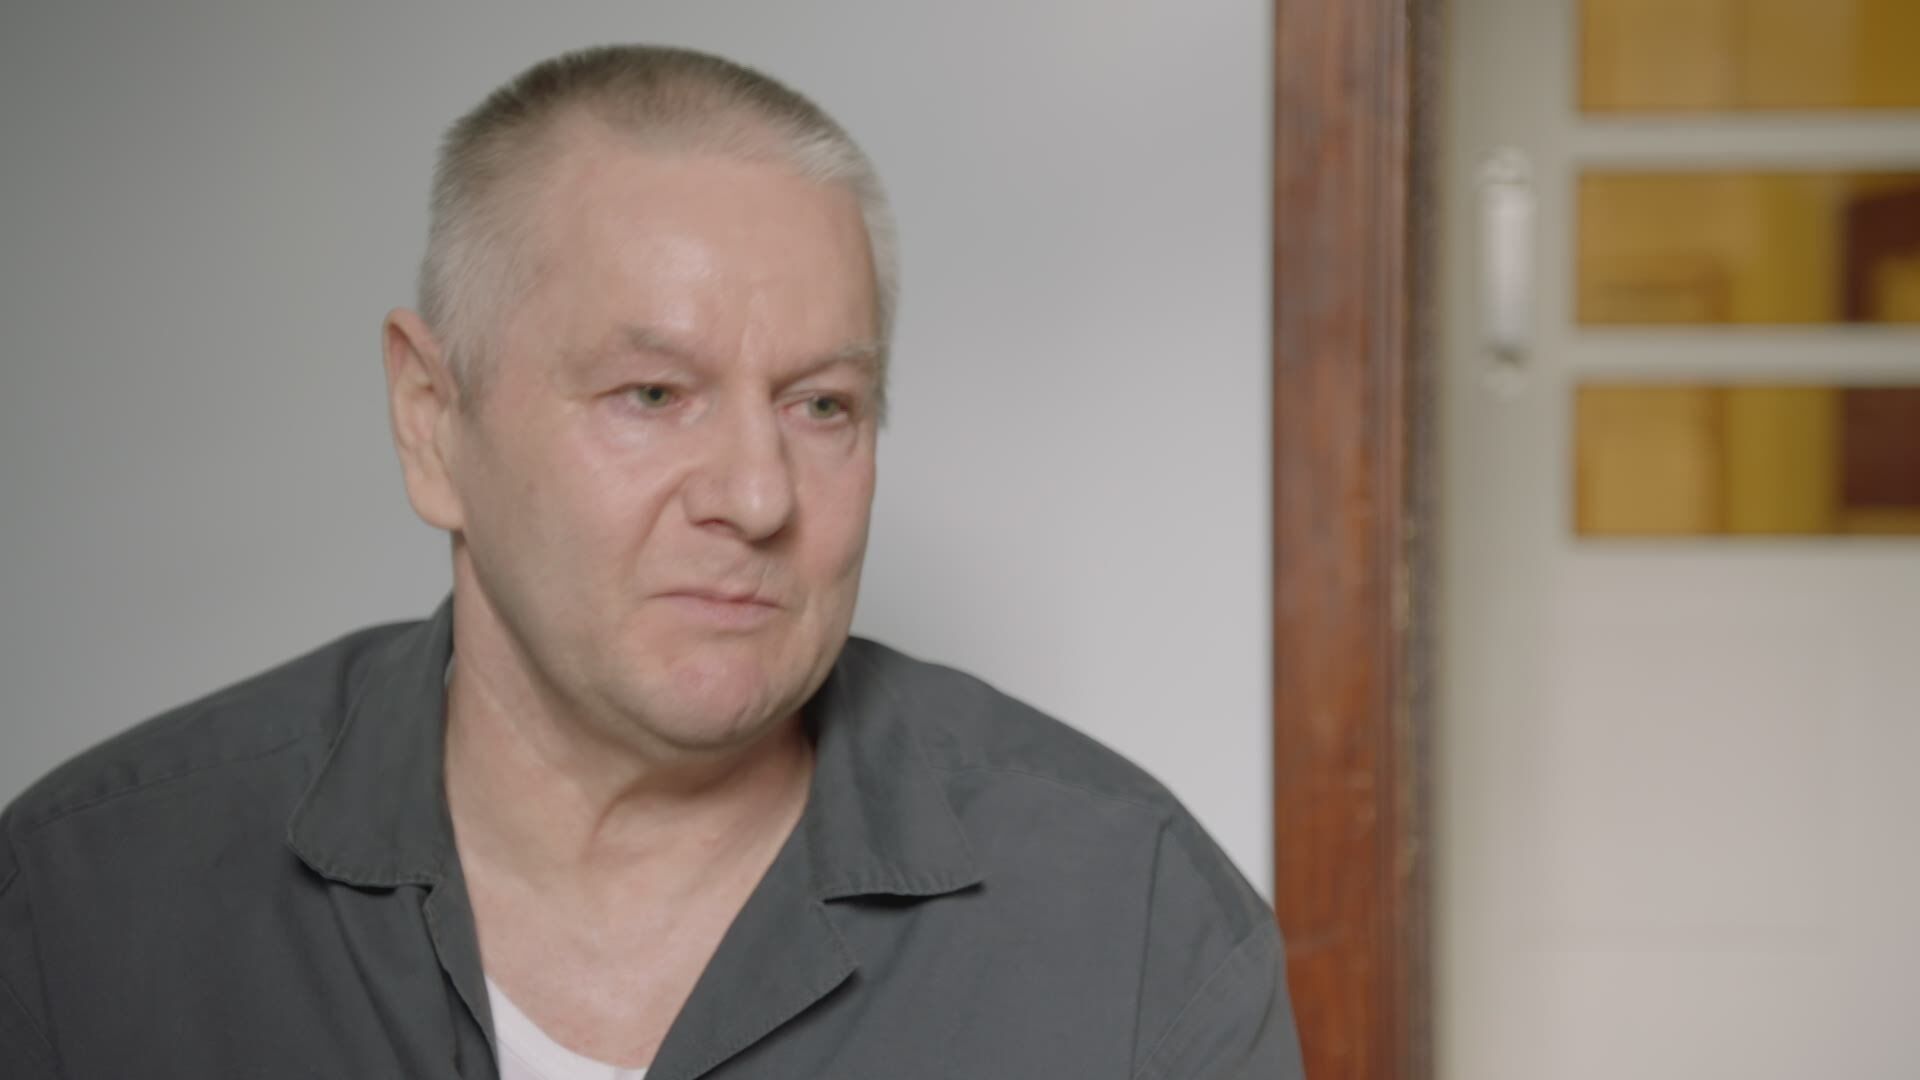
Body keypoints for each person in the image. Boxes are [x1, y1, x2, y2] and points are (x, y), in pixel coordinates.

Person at [0, 45, 1304, 1079]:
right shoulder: (82, 905)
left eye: (824, 405)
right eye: (652, 394)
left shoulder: (1133, 926)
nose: (757, 497)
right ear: (432, 422)